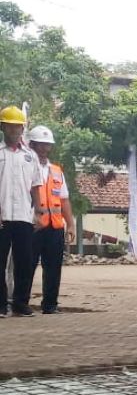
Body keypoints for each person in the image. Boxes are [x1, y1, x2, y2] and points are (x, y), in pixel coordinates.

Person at [0, 106, 42, 317]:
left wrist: (39, 211)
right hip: (2, 216)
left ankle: (21, 303)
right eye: (10, 126)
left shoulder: (30, 156)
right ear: (3, 127)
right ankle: (1, 304)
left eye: (18, 127)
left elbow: (35, 185)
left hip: (24, 216)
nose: (14, 130)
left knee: (25, 261)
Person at [27, 126, 73, 314]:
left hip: (54, 226)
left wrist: (70, 224)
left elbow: (64, 199)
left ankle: (50, 305)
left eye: (48, 145)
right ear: (32, 145)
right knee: (26, 266)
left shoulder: (56, 171)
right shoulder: (26, 166)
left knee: (53, 268)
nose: (45, 149)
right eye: (41, 145)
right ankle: (20, 303)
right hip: (32, 225)